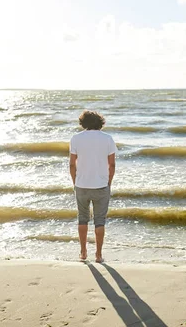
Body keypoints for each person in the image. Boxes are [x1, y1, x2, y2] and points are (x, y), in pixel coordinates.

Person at [69, 110, 116, 263]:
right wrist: (108, 182)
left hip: (81, 185)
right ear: (100, 123)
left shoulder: (76, 139)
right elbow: (112, 164)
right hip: (101, 185)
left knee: (82, 219)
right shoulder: (108, 139)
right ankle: (98, 255)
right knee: (100, 220)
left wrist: (75, 181)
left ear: (83, 123)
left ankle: (83, 253)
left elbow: (72, 164)